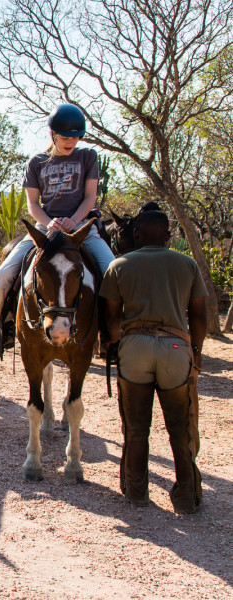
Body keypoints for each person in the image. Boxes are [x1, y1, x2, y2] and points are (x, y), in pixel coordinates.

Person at [0, 104, 115, 357]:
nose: (71, 142)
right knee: (2, 276)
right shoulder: (37, 163)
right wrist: (50, 222)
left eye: (76, 137)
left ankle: (112, 336)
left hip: (81, 229)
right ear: (52, 134)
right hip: (45, 230)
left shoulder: (87, 157)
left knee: (115, 272)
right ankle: (1, 328)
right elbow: (32, 203)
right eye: (66, 137)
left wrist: (73, 221)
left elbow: (89, 197)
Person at [99, 209, 207, 513]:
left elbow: (111, 317)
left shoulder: (119, 265)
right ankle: (187, 498)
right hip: (175, 347)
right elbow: (198, 315)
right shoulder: (187, 264)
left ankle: (136, 492)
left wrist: (116, 341)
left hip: (135, 345)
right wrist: (194, 350)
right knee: (179, 426)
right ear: (168, 237)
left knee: (135, 427)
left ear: (136, 235)